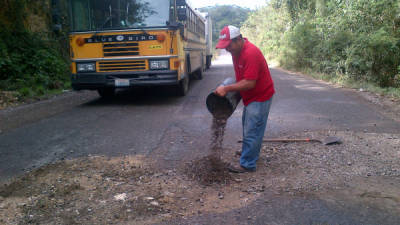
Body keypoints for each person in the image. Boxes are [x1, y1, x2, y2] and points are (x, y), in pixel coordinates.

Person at [214, 25, 275, 173]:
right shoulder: (237, 52)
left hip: (260, 96)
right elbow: (242, 77)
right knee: (249, 126)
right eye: (225, 46)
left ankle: (247, 164)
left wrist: (227, 89)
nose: (227, 49)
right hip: (250, 96)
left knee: (252, 129)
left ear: (239, 39)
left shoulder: (250, 53)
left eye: (229, 45)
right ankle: (250, 152)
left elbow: (249, 82)